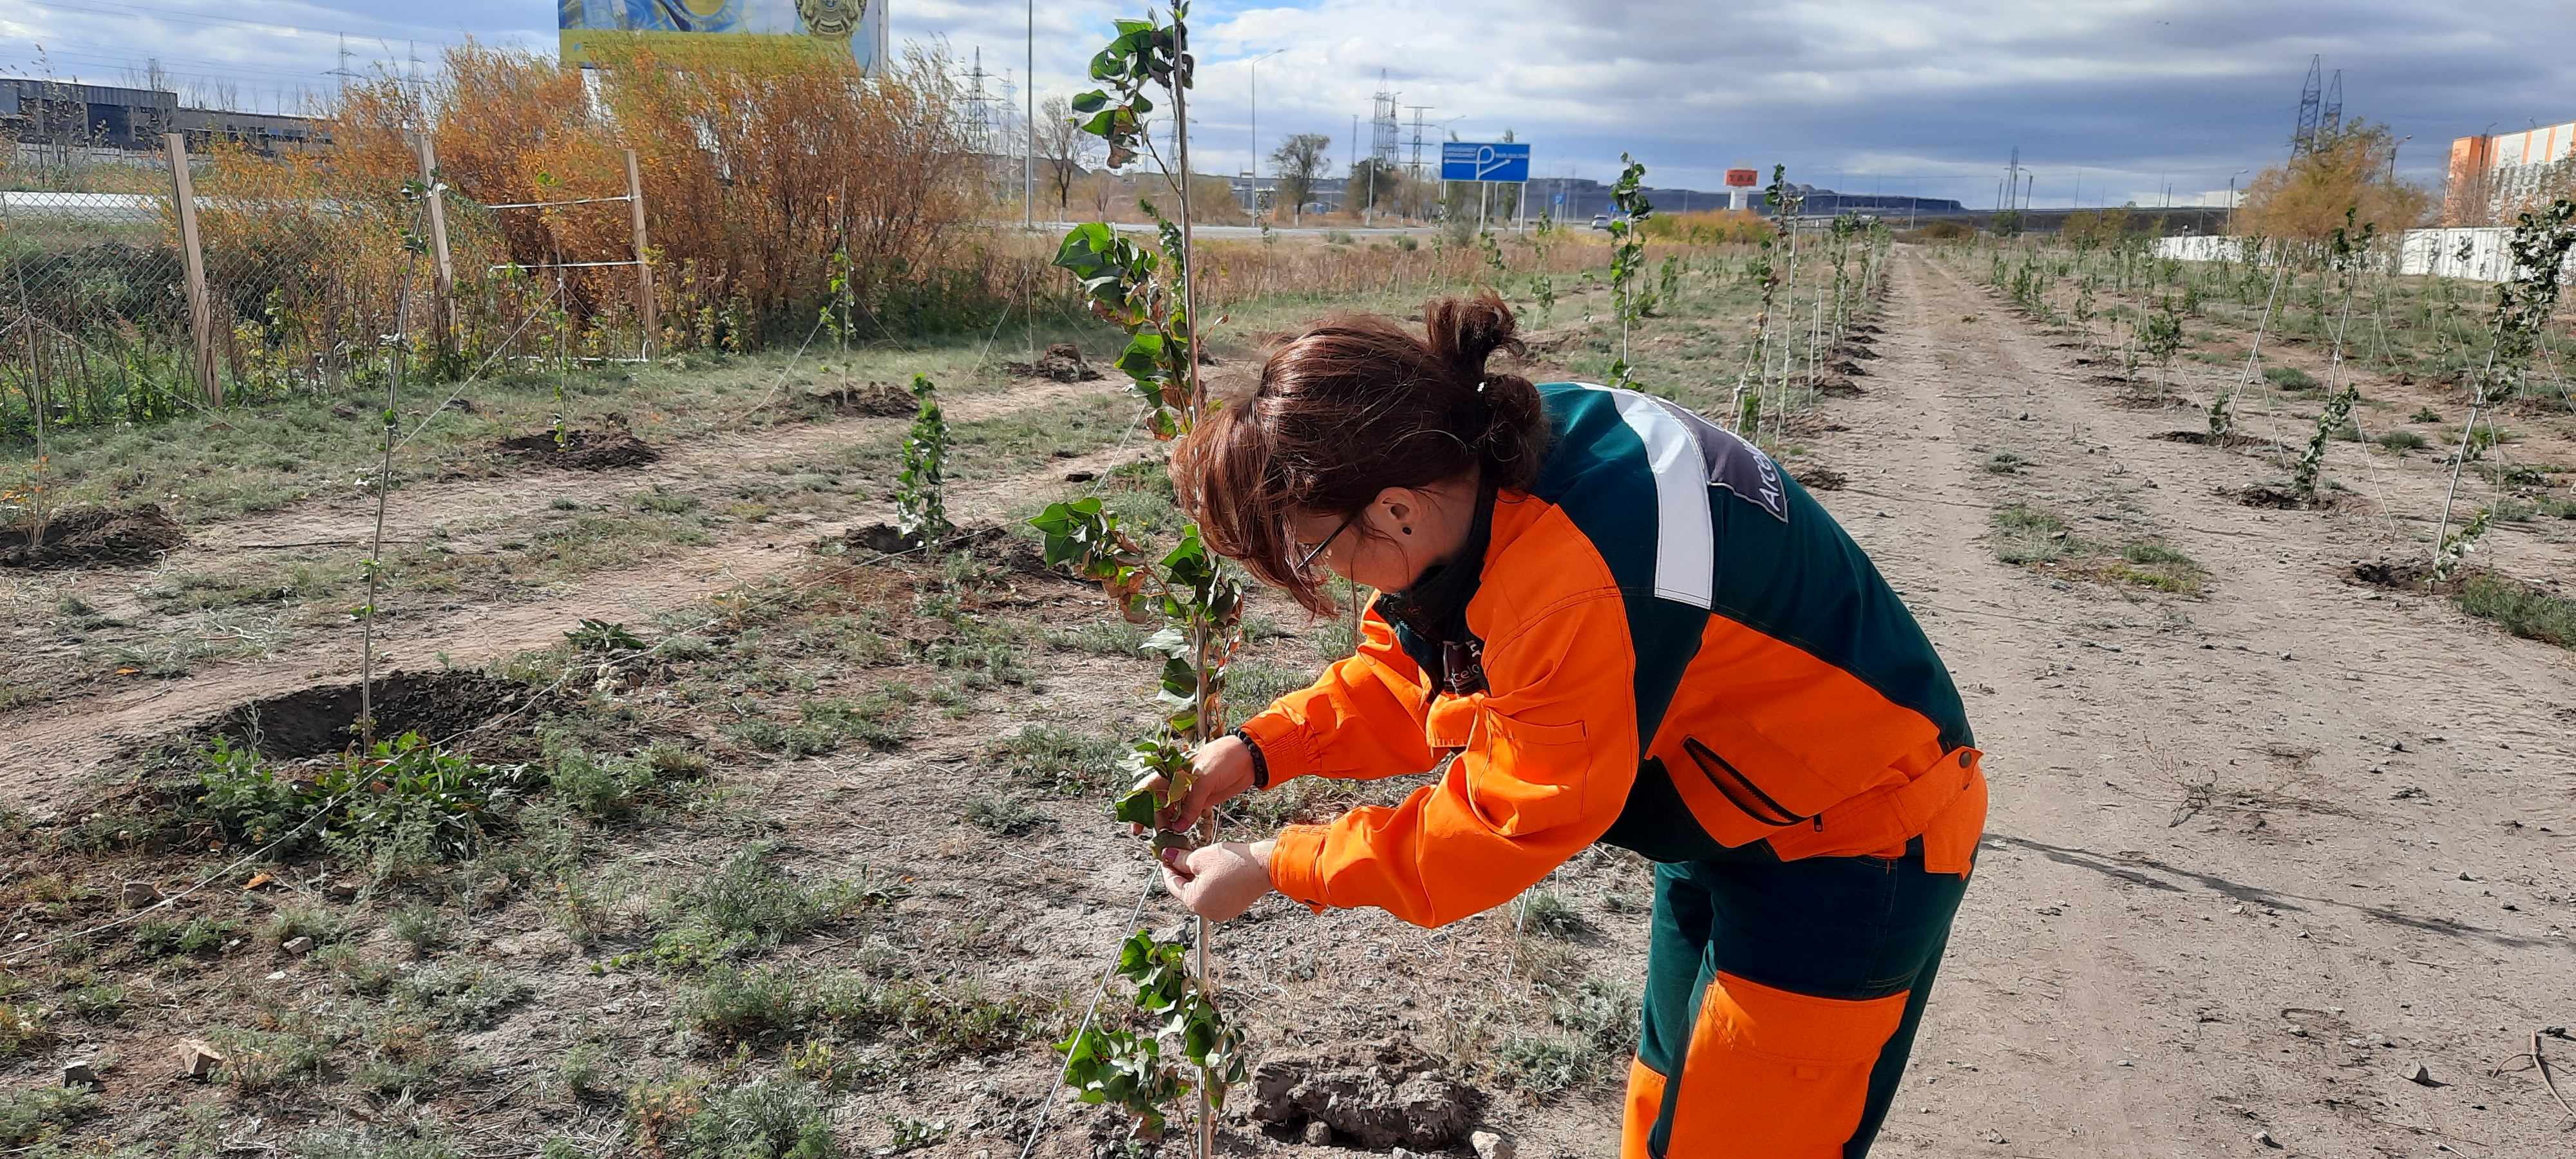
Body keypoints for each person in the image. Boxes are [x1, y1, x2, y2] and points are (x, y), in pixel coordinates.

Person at [1146, 291, 1986, 1158]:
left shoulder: (1573, 583)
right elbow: (1414, 668)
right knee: (1668, 1110)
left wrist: (1274, 865)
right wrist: (1255, 752)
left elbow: (1504, 819)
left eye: (1313, 552)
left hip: (1857, 841)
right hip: (1742, 807)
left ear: (1395, 508)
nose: (1329, 578)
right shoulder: (1486, 460)